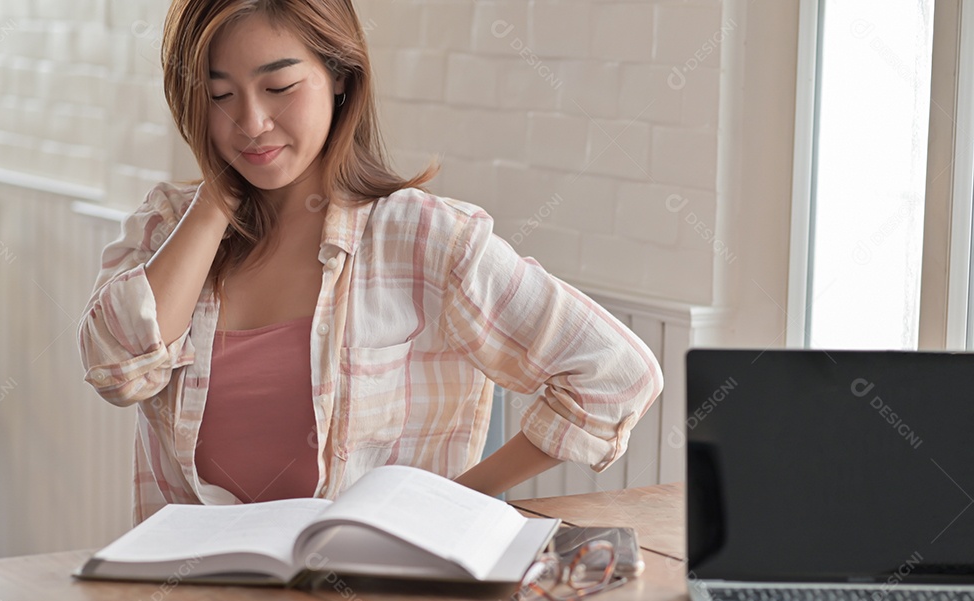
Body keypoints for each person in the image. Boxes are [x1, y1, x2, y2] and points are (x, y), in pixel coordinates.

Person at [78, 0, 663, 524]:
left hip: (370, 595)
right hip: (192, 596)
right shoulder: (166, 227)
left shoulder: (424, 236)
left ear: (338, 76)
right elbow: (120, 372)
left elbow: (616, 374)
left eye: (279, 87)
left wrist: (451, 503)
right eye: (219, 95)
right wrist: (213, 203)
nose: (251, 123)